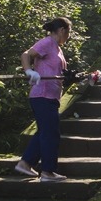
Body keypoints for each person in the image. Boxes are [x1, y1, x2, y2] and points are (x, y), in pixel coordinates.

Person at [14, 16, 72, 180]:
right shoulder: (47, 42)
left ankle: (25, 163)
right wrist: (29, 71)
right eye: (69, 33)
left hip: (51, 96)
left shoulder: (57, 49)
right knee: (51, 133)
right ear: (62, 30)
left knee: (45, 132)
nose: (69, 37)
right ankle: (47, 171)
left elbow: (57, 73)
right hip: (42, 95)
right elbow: (26, 54)